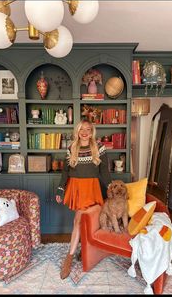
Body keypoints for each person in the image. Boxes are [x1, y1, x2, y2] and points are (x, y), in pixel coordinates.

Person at [55, 119, 112, 280]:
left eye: (88, 129)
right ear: (78, 131)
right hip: (77, 188)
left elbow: (105, 172)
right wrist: (61, 188)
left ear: (92, 131)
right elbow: (65, 172)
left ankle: (77, 252)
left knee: (85, 221)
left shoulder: (99, 147)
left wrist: (111, 189)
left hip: (92, 189)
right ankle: (71, 256)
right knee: (79, 221)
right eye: (82, 129)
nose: (85, 132)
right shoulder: (72, 148)